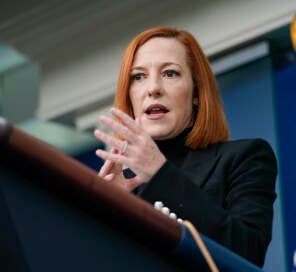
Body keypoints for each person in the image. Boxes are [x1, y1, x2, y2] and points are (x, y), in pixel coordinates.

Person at [93, 27, 277, 267]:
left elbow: (247, 253)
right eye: (139, 77)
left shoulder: (246, 157)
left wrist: (160, 175)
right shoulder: (123, 184)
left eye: (170, 73)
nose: (153, 89)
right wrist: (103, 211)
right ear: (129, 96)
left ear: (196, 93)